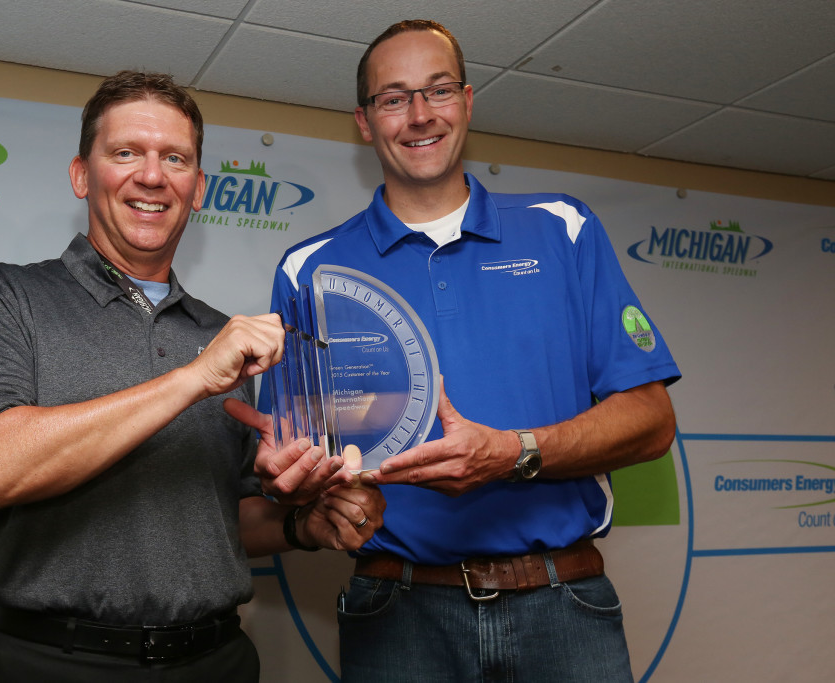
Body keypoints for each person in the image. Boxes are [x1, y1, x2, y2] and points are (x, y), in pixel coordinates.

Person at [256, 20, 681, 682]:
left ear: (468, 101)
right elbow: (285, 468)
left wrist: (512, 452)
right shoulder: (310, 269)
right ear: (364, 122)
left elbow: (653, 419)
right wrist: (303, 492)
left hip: (561, 602)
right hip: (395, 612)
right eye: (394, 98)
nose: (420, 114)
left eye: (438, 90)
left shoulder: (563, 229)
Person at [0, 70, 383, 683]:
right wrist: (192, 378)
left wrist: (303, 525)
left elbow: (216, 523)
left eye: (176, 158)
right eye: (126, 153)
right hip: (50, 664)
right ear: (82, 175)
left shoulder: (222, 335)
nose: (152, 175)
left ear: (197, 188)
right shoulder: (6, 295)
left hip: (214, 661)